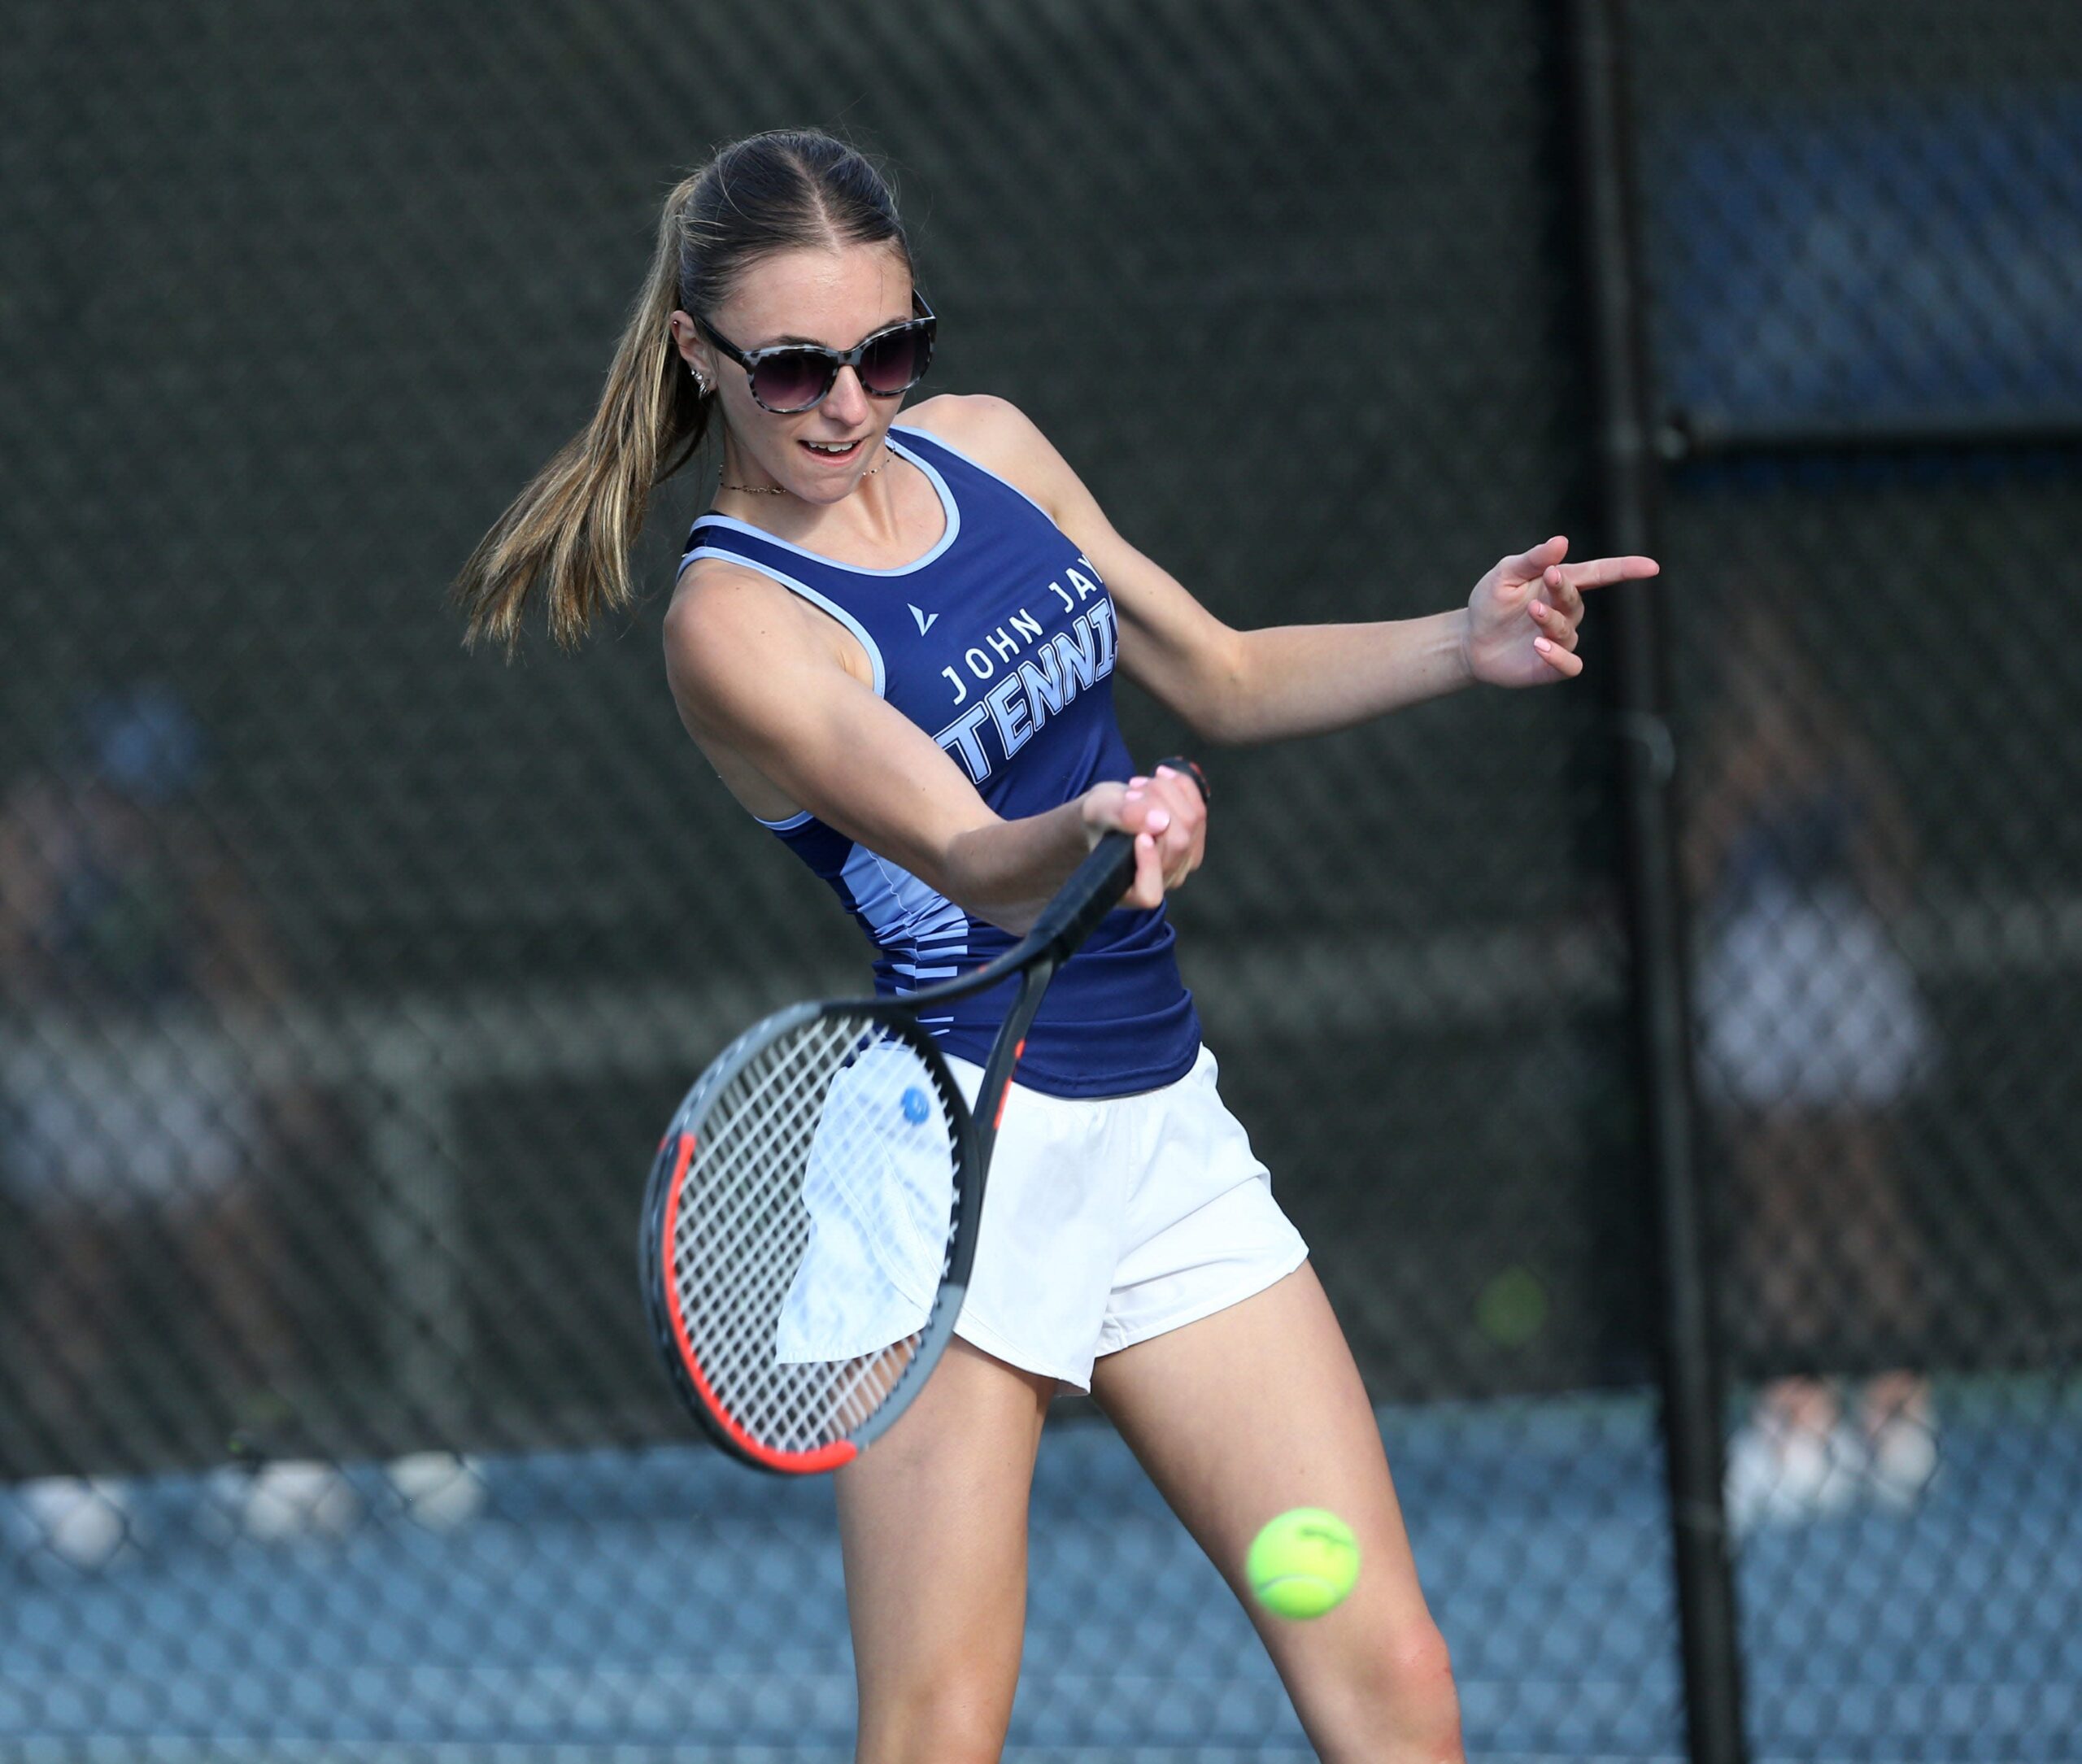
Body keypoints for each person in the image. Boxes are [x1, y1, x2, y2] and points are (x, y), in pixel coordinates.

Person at [455, 129, 1657, 1762]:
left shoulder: (992, 452)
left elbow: (1219, 672)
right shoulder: (733, 623)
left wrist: (1459, 640)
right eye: (794, 366)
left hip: (1155, 1120)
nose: (847, 401)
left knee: (1394, 1677)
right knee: (940, 1729)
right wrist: (1091, 826)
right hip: (955, 1162)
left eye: (887, 349)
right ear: (697, 356)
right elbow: (961, 846)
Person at [1686, 603, 1938, 1527]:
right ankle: (1799, 1417)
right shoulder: (1720, 760)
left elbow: (1892, 870)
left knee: (1867, 1191)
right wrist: (1739, 790)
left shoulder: (1847, 756)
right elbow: (1692, 873)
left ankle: (1898, 1410)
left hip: (1847, 964)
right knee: (1778, 1201)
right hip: (1758, 967)